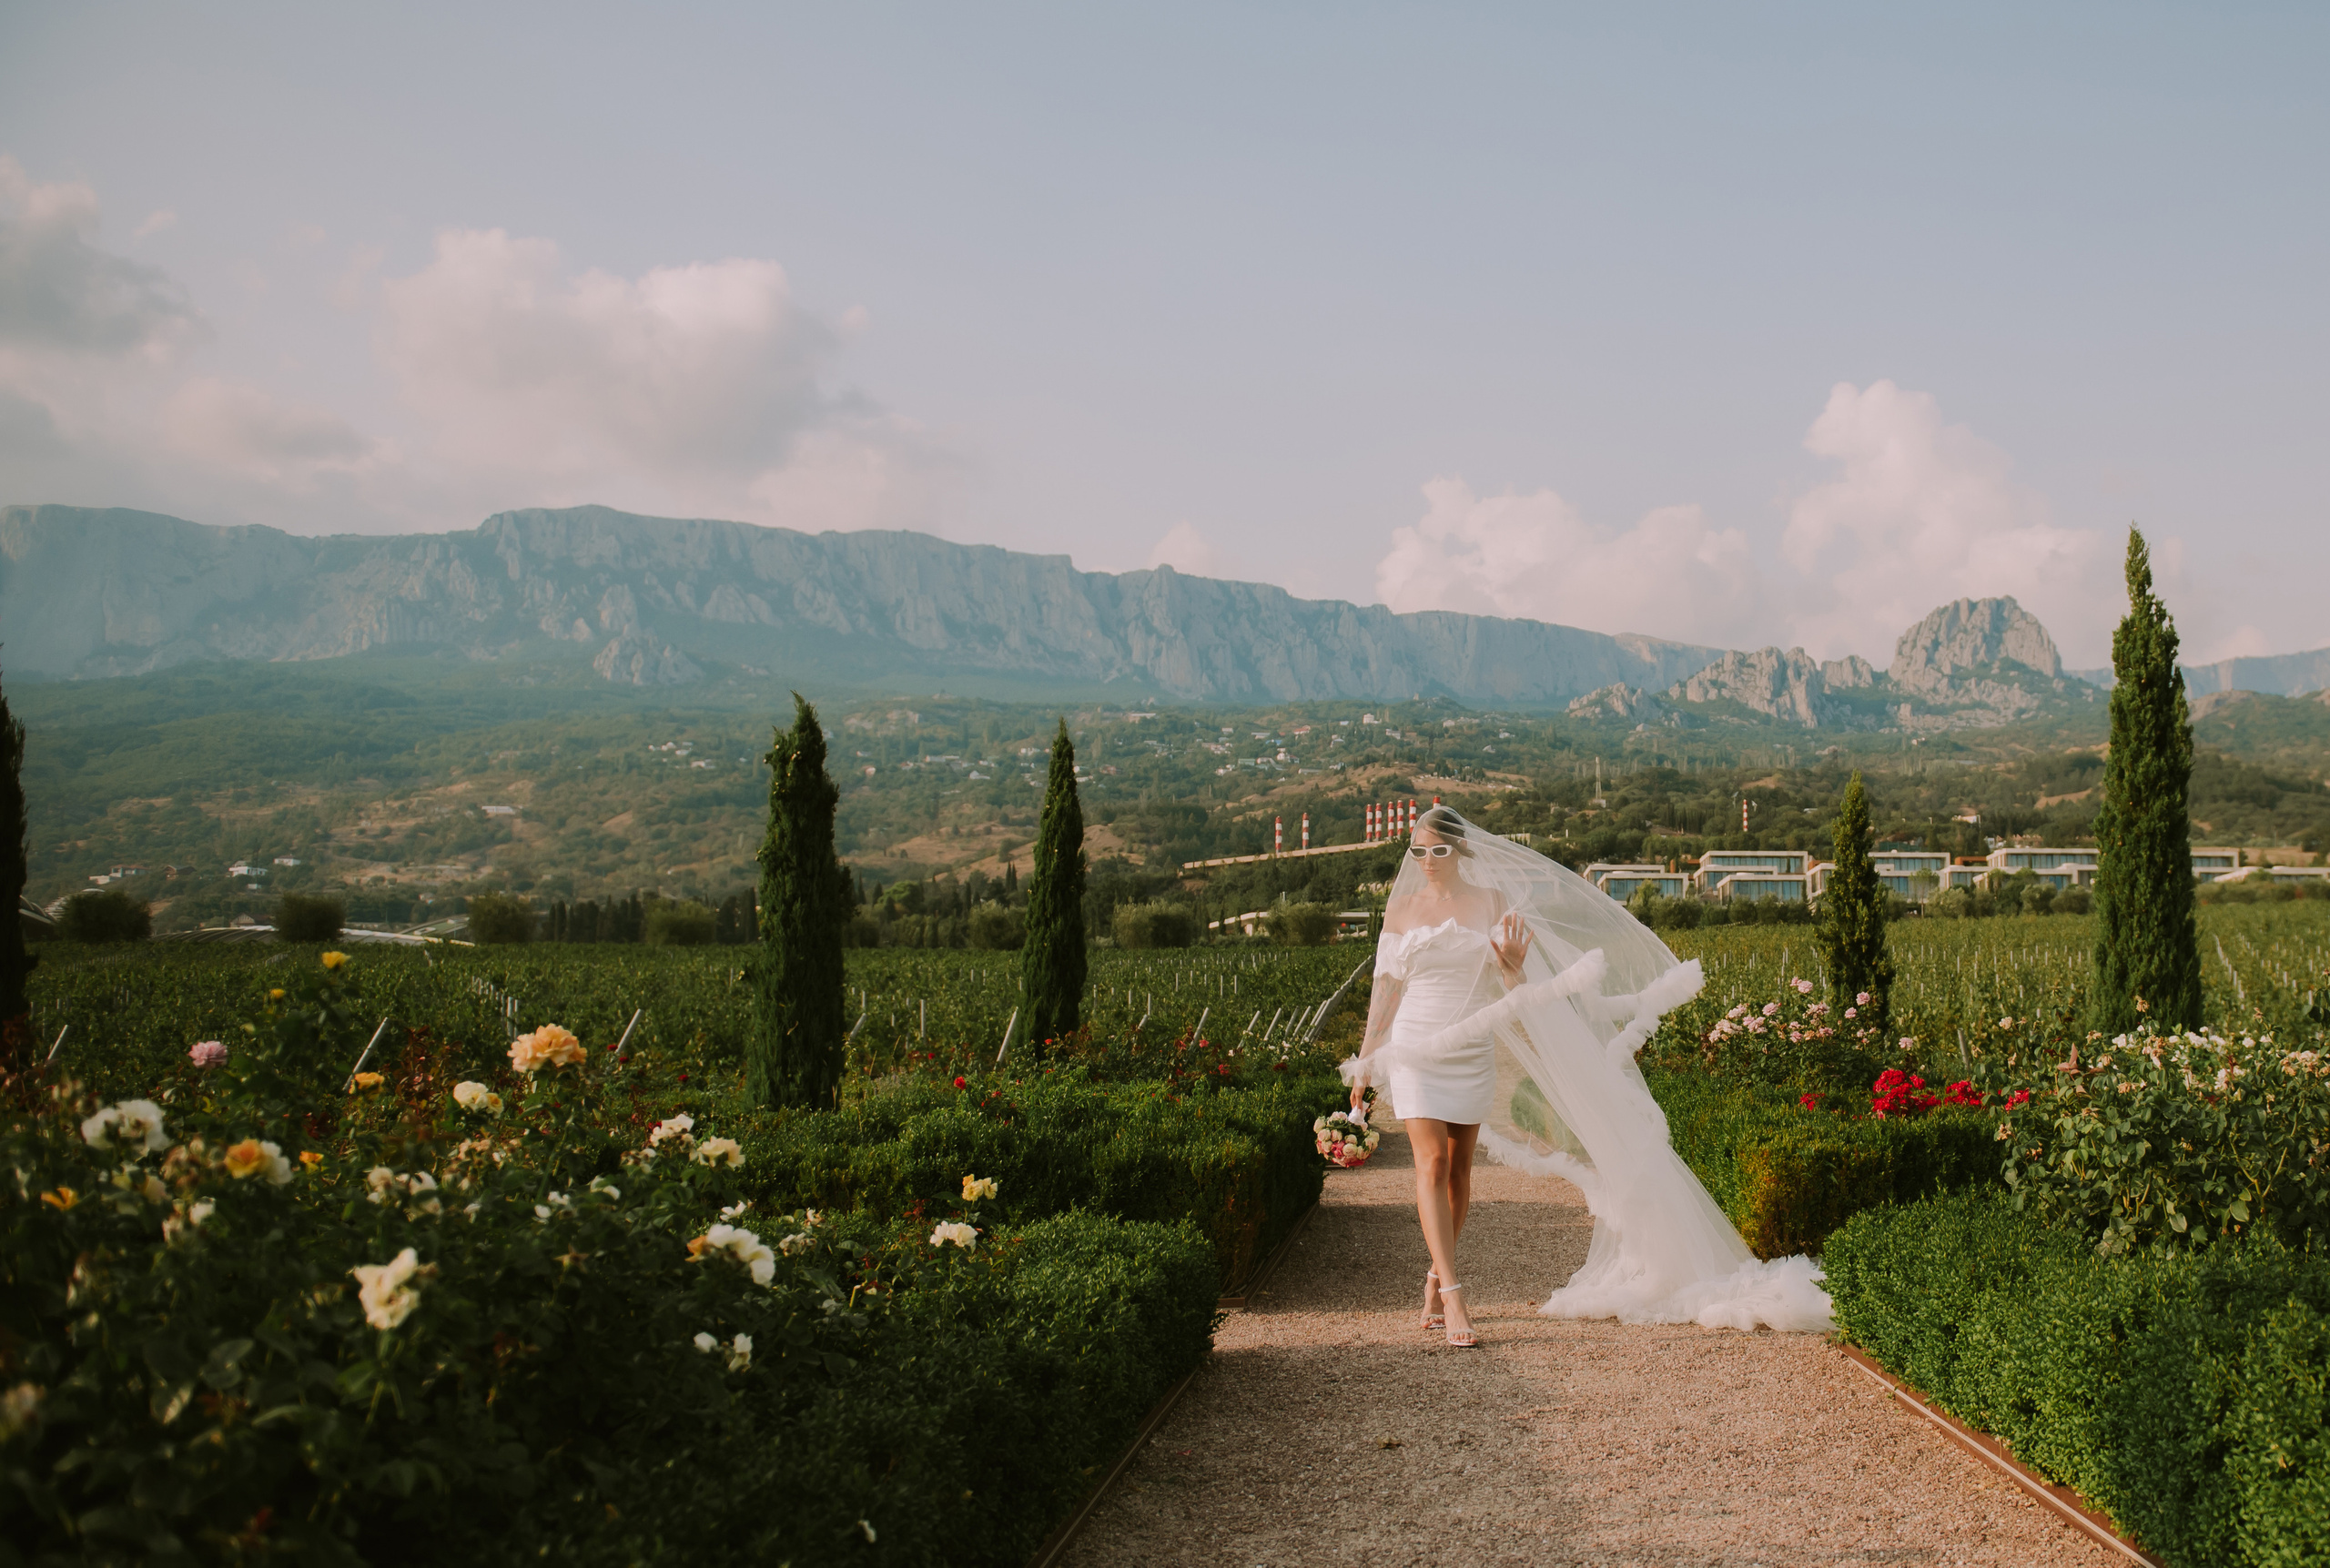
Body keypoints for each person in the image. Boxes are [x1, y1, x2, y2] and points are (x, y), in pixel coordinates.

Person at [1344, 805, 1831, 1348]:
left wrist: (1510, 963)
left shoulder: (1491, 902)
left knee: (1459, 1173)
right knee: (1431, 1163)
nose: (1428, 861)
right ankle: (1455, 1292)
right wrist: (1365, 1062)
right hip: (1417, 1046)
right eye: (1418, 851)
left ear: (1461, 851)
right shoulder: (1403, 908)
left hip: (1472, 1047)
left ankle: (1436, 1272)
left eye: (1438, 850)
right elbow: (1385, 993)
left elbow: (1513, 989)